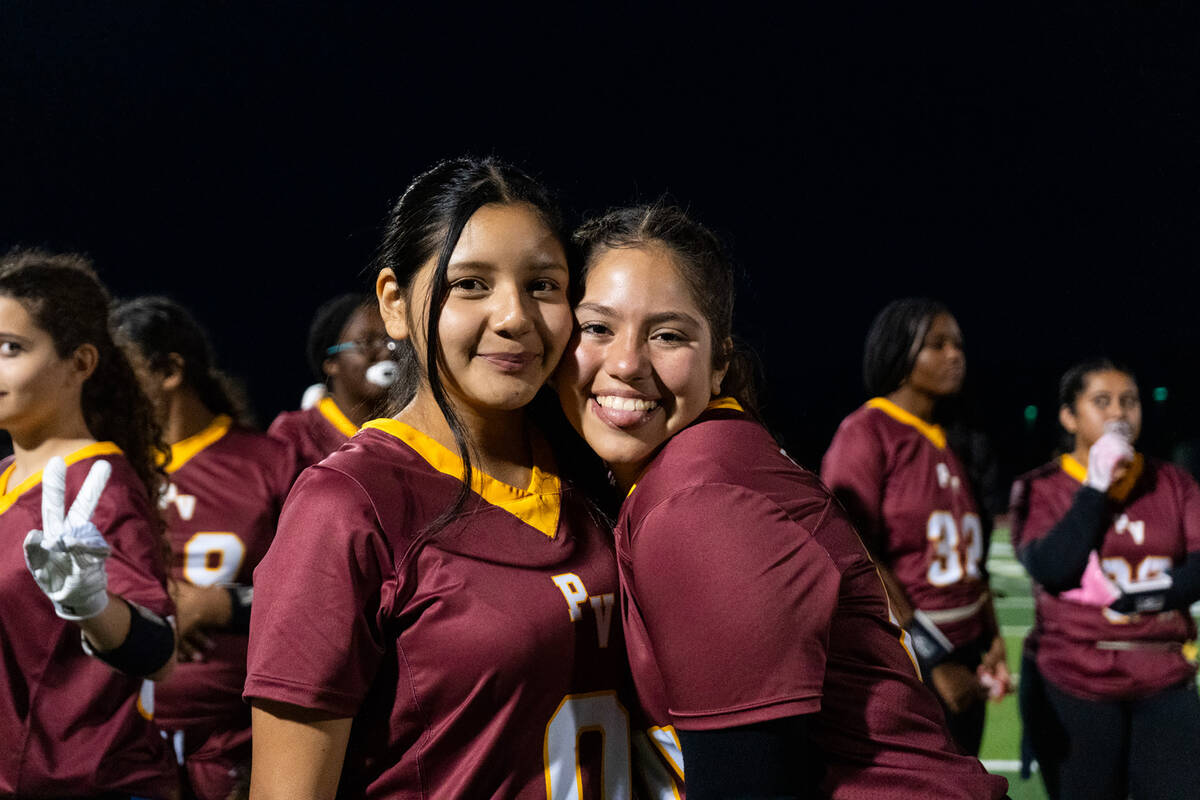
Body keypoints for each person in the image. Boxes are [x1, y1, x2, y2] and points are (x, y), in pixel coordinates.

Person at [556, 204, 1008, 799]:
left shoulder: (700, 502)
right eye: (597, 327)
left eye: (667, 334)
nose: (626, 363)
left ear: (719, 361)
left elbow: (748, 784)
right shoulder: (706, 455)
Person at [244, 157, 634, 799]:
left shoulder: (596, 467)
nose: (515, 316)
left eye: (543, 284)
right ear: (395, 304)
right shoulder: (347, 504)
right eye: (471, 284)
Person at [0, 249, 178, 798]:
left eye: (10, 348)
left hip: (90, 785)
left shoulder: (93, 486)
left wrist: (93, 607)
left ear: (80, 363)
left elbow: (159, 653)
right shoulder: (7, 475)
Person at [114, 296, 298, 800]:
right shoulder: (102, 466)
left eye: (121, 372)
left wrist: (218, 604)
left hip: (232, 740)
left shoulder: (271, 463)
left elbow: (329, 595)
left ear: (170, 371)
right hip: (115, 736)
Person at [821, 298, 1009, 755]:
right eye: (937, 345)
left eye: (959, 345)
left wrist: (994, 634)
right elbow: (853, 553)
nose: (954, 355)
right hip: (909, 658)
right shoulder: (866, 432)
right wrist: (931, 657)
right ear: (898, 353)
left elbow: (971, 558)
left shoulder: (956, 437)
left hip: (967, 653)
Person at [1011, 358, 1200, 800]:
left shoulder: (1173, 481)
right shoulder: (1039, 487)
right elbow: (1055, 567)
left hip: (1163, 675)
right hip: (1075, 680)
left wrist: (1142, 598)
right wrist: (1096, 486)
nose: (1119, 413)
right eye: (1102, 401)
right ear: (1068, 416)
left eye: (1129, 401)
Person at [267, 294, 398, 469]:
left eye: (389, 341)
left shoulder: (408, 428)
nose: (385, 352)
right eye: (366, 343)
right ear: (331, 363)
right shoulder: (295, 436)